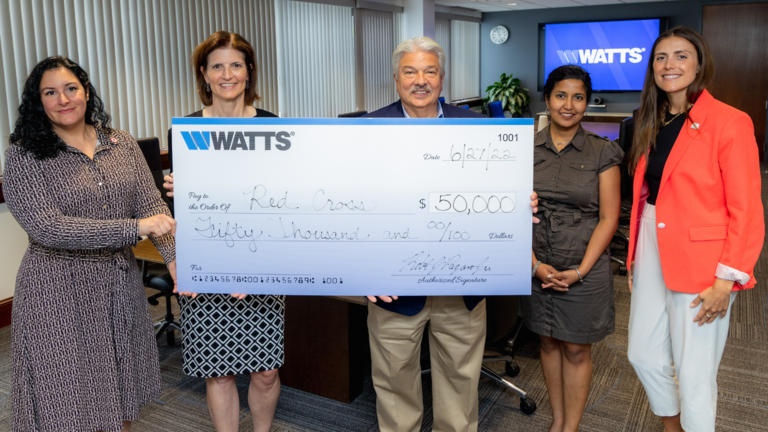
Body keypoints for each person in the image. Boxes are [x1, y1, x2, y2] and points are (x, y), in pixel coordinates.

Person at [363, 37, 539, 432]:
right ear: (396, 78)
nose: (420, 80)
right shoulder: (365, 129)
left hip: (463, 286)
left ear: (442, 79)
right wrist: (361, 269)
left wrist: (518, 204)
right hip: (392, 288)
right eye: (410, 71)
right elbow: (348, 206)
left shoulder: (480, 127)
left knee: (461, 386)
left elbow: (500, 193)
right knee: (393, 387)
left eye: (429, 71)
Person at [4, 56, 176, 432]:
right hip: (57, 291)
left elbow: (151, 205)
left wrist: (176, 261)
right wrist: (135, 228)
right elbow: (48, 227)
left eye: (71, 88)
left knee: (121, 391)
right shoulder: (24, 155)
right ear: (38, 101)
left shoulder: (121, 143)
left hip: (119, 285)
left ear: (86, 92)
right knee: (70, 402)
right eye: (50, 92)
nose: (63, 99)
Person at [625, 26, 764, 432]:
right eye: (661, 57)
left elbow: (747, 208)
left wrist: (727, 280)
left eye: (681, 55)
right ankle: (673, 423)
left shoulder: (730, 122)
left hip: (705, 258)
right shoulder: (649, 119)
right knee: (642, 354)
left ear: (700, 63)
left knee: (694, 372)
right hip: (652, 241)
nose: (670, 65)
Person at [163, 31, 283, 432]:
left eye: (236, 64)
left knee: (265, 370)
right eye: (217, 65)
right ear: (204, 74)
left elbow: (280, 200)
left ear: (249, 72)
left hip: (261, 260)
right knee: (219, 372)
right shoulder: (185, 130)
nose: (227, 73)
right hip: (207, 260)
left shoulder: (274, 127)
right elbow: (189, 210)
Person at [522, 65, 622, 432]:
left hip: (585, 266)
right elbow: (507, 213)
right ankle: (557, 422)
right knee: (547, 343)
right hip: (535, 261)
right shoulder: (523, 149)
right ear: (547, 100)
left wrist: (580, 270)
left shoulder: (603, 151)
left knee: (577, 349)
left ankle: (572, 428)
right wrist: (534, 266)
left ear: (586, 103)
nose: (569, 105)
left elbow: (609, 219)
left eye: (578, 97)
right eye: (561, 95)